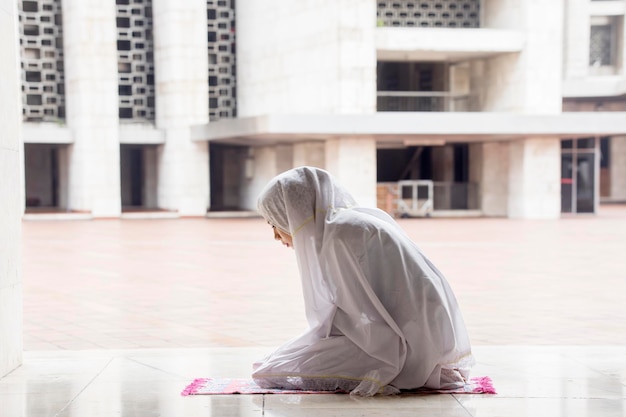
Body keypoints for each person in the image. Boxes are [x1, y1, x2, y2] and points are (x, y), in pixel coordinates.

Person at [253, 166, 474, 396]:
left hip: (410, 344)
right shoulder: (345, 224)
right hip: (421, 335)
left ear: (292, 214)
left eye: (274, 223)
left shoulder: (339, 236)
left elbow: (367, 319)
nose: (276, 236)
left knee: (272, 370)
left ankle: (417, 368)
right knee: (281, 361)